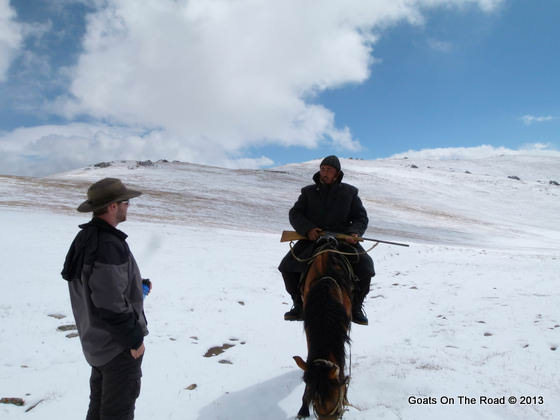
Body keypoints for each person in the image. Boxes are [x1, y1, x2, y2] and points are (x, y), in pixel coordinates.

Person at [61, 178, 150, 420]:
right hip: (117, 348)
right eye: (126, 202)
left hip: (96, 343)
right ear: (112, 206)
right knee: (116, 413)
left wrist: (135, 289)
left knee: (99, 408)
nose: (128, 206)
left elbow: (96, 287)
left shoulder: (86, 239)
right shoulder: (108, 245)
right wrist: (134, 341)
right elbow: (110, 305)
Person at [278, 155, 375, 325]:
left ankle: (356, 307)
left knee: (366, 267)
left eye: (329, 170)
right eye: (323, 169)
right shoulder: (308, 192)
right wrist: (308, 229)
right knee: (286, 267)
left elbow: (361, 218)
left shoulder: (350, 193)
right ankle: (299, 306)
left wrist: (354, 232)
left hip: (343, 241)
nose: (325, 173)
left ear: (337, 173)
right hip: (313, 240)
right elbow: (295, 214)